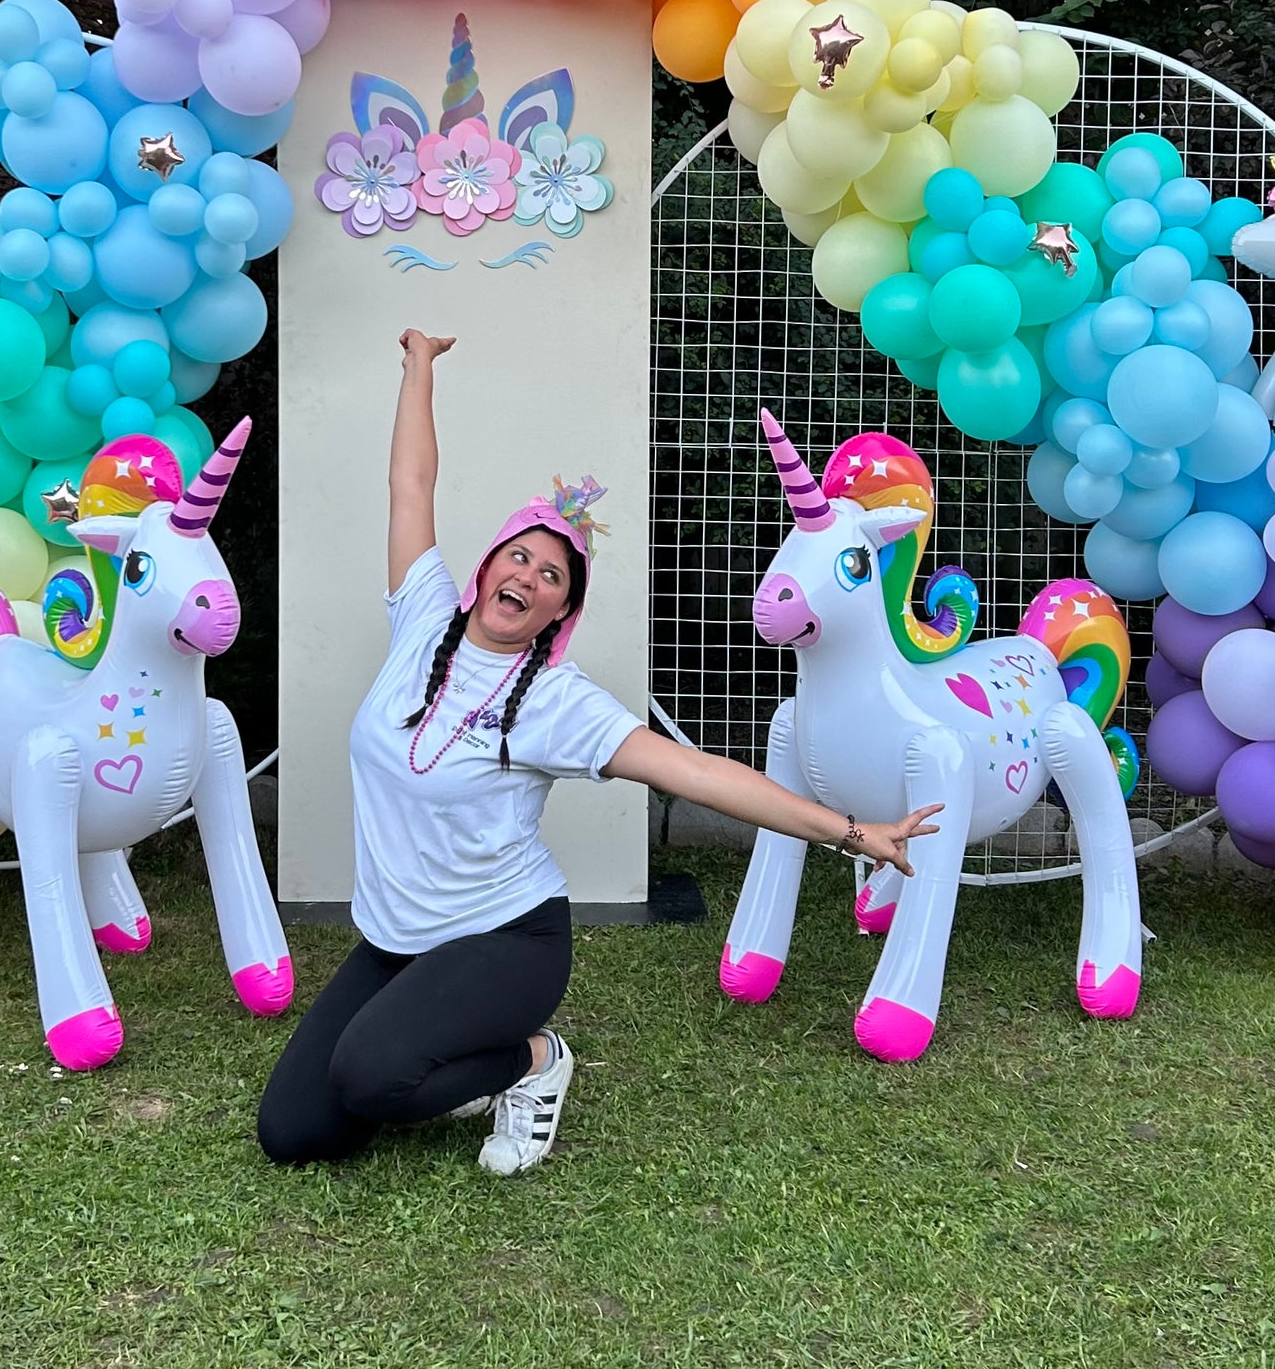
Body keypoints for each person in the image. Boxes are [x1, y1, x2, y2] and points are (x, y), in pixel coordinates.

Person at [255, 330, 940, 1176]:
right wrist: (420, 365)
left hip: (508, 941)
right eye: (520, 556)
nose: (530, 576)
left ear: (557, 614)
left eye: (553, 577)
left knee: (371, 1073)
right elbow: (410, 484)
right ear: (485, 569)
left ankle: (535, 1062)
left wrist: (850, 830)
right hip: (399, 942)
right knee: (293, 1132)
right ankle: (423, 1052)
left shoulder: (554, 701)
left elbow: (698, 774)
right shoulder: (422, 617)